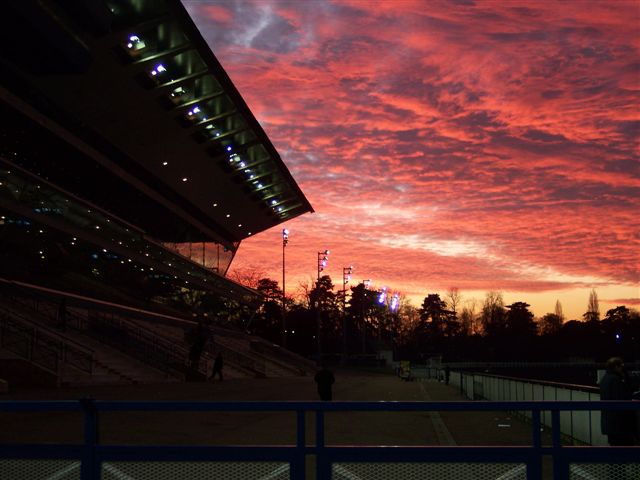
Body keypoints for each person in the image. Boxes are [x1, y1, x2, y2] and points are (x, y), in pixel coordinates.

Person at [599, 357, 637, 445]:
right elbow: (623, 398)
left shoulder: (605, 379)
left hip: (610, 423)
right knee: (626, 449)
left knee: (615, 449)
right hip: (619, 424)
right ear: (616, 367)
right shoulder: (616, 380)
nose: (622, 369)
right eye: (621, 366)